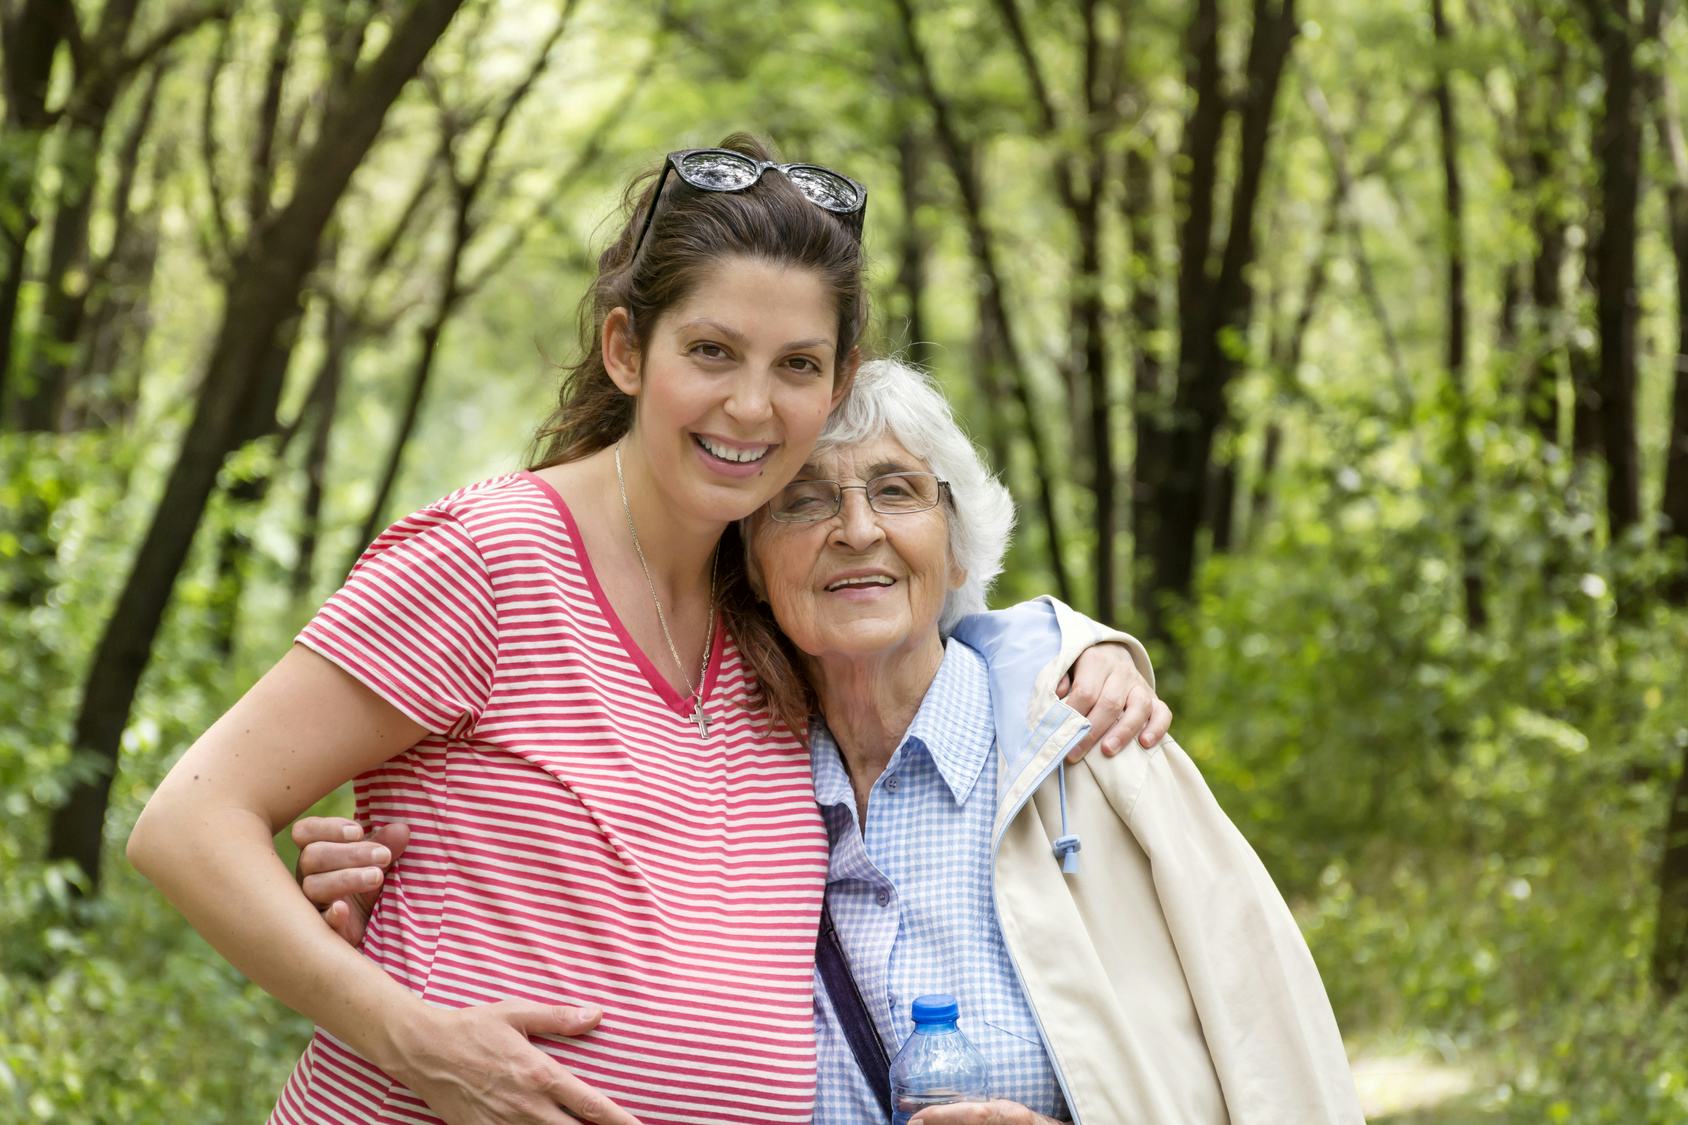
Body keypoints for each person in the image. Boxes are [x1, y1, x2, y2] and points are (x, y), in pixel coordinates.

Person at [127, 136, 1165, 1125]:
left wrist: (1077, 643)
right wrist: (413, 1037)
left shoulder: (769, 613)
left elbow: (932, 638)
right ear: (627, 348)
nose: (751, 406)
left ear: (836, 382)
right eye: (711, 351)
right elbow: (187, 824)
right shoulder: (489, 557)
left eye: (796, 365)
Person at [303, 359, 1365, 1123]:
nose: (855, 528)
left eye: (896, 491)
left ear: (956, 542)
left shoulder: (1093, 751)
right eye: (802, 501)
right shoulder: (733, 778)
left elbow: (1277, 1067)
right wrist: (411, 886)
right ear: (751, 567)